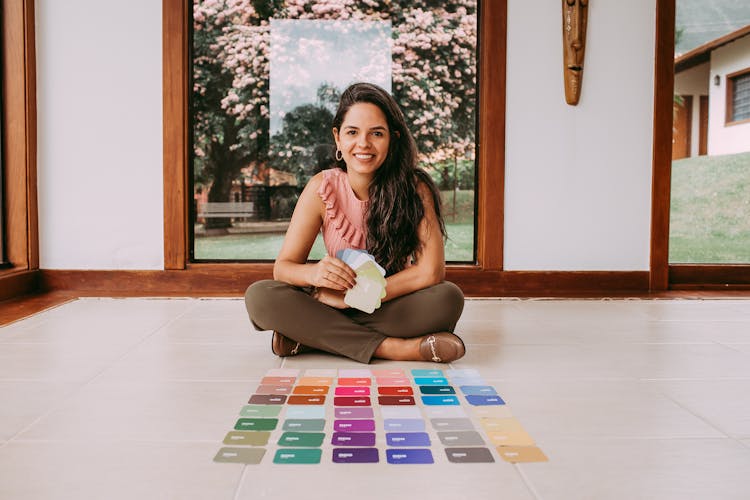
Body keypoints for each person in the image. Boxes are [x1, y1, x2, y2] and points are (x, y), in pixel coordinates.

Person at [244, 82, 465, 364]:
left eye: (376, 133)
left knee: (447, 298)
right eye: (352, 132)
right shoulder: (321, 188)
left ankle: (311, 337)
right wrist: (314, 275)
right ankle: (394, 348)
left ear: (393, 138)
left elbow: (430, 272)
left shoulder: (415, 188)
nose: (363, 144)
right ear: (337, 138)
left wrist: (356, 299)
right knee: (260, 297)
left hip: (388, 302)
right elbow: (283, 268)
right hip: (329, 303)